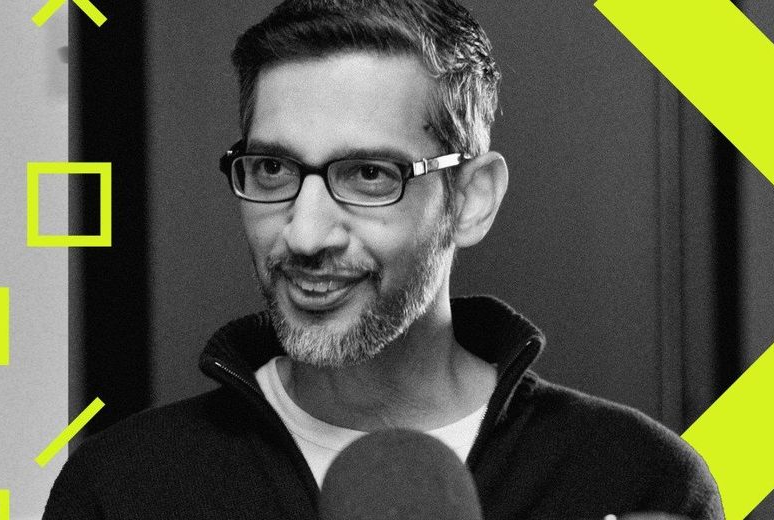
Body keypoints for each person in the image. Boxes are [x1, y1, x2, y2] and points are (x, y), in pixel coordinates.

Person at [44, 1, 723, 518]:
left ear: (471, 199)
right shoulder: (125, 488)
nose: (306, 234)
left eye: (369, 175)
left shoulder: (632, 480)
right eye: (273, 169)